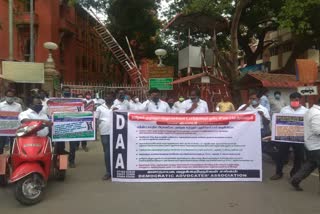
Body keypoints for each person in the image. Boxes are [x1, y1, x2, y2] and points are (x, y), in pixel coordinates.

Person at [270, 92, 308, 180]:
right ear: (289, 100)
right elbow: (279, 123)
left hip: (299, 138)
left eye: (296, 100)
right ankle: (278, 173)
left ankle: (294, 173)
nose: (294, 102)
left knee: (299, 156)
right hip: (285, 137)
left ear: (300, 100)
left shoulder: (306, 111)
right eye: (292, 100)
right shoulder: (284, 110)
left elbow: (307, 124)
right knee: (281, 155)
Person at [290, 99, 320, 191]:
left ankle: (296, 179)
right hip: (317, 146)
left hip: (311, 145)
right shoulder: (317, 114)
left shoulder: (310, 111)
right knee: (311, 164)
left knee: (311, 164)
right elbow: (317, 130)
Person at [95, 92, 116, 180]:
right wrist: (94, 133)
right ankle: (108, 172)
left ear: (113, 98)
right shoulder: (99, 108)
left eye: (110, 96)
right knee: (107, 151)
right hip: (104, 132)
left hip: (117, 132)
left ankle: (116, 170)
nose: (108, 98)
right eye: (107, 96)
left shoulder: (117, 107)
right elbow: (95, 119)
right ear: (104, 98)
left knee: (116, 151)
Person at [0, 89, 23, 154]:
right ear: (5, 96)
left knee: (13, 146)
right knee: (1, 146)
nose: (10, 98)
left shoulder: (18, 106)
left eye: (11, 96)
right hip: (2, 130)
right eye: (8, 96)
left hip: (14, 129)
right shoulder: (0, 105)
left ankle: (11, 160)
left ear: (14, 97)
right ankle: (1, 161)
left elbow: (21, 116)